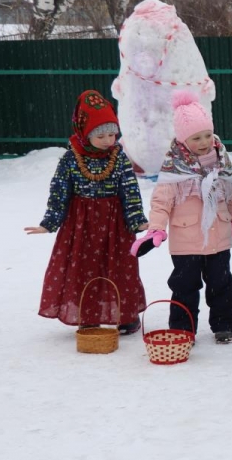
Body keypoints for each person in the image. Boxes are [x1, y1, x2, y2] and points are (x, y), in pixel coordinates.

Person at [131, 90, 232, 344]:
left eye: (207, 135)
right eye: (196, 137)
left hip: (219, 237)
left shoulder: (221, 160)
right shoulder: (174, 165)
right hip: (185, 240)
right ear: (183, 139)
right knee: (184, 287)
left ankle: (224, 325)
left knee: (222, 285)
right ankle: (182, 329)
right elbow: (162, 201)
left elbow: (231, 196)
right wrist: (156, 229)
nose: (204, 142)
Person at [27, 90, 148, 333]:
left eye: (112, 134)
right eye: (100, 135)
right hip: (81, 225)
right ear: (85, 133)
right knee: (84, 269)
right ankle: (88, 314)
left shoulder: (119, 158)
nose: (107, 140)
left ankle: (126, 316)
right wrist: (49, 222)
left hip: (115, 225)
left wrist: (137, 220)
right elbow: (59, 190)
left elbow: (130, 189)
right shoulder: (71, 159)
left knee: (120, 268)